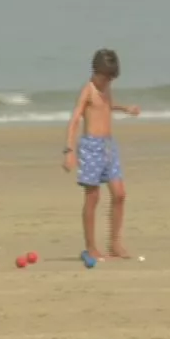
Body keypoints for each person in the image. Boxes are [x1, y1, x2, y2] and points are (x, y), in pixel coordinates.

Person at [62, 49, 142, 261]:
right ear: (96, 71)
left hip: (109, 146)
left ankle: (115, 243)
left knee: (120, 194)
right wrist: (69, 150)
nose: (108, 82)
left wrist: (125, 108)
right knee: (93, 197)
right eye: (106, 77)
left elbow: (106, 106)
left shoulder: (106, 88)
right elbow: (75, 119)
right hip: (91, 147)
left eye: (111, 78)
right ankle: (91, 247)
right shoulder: (88, 90)